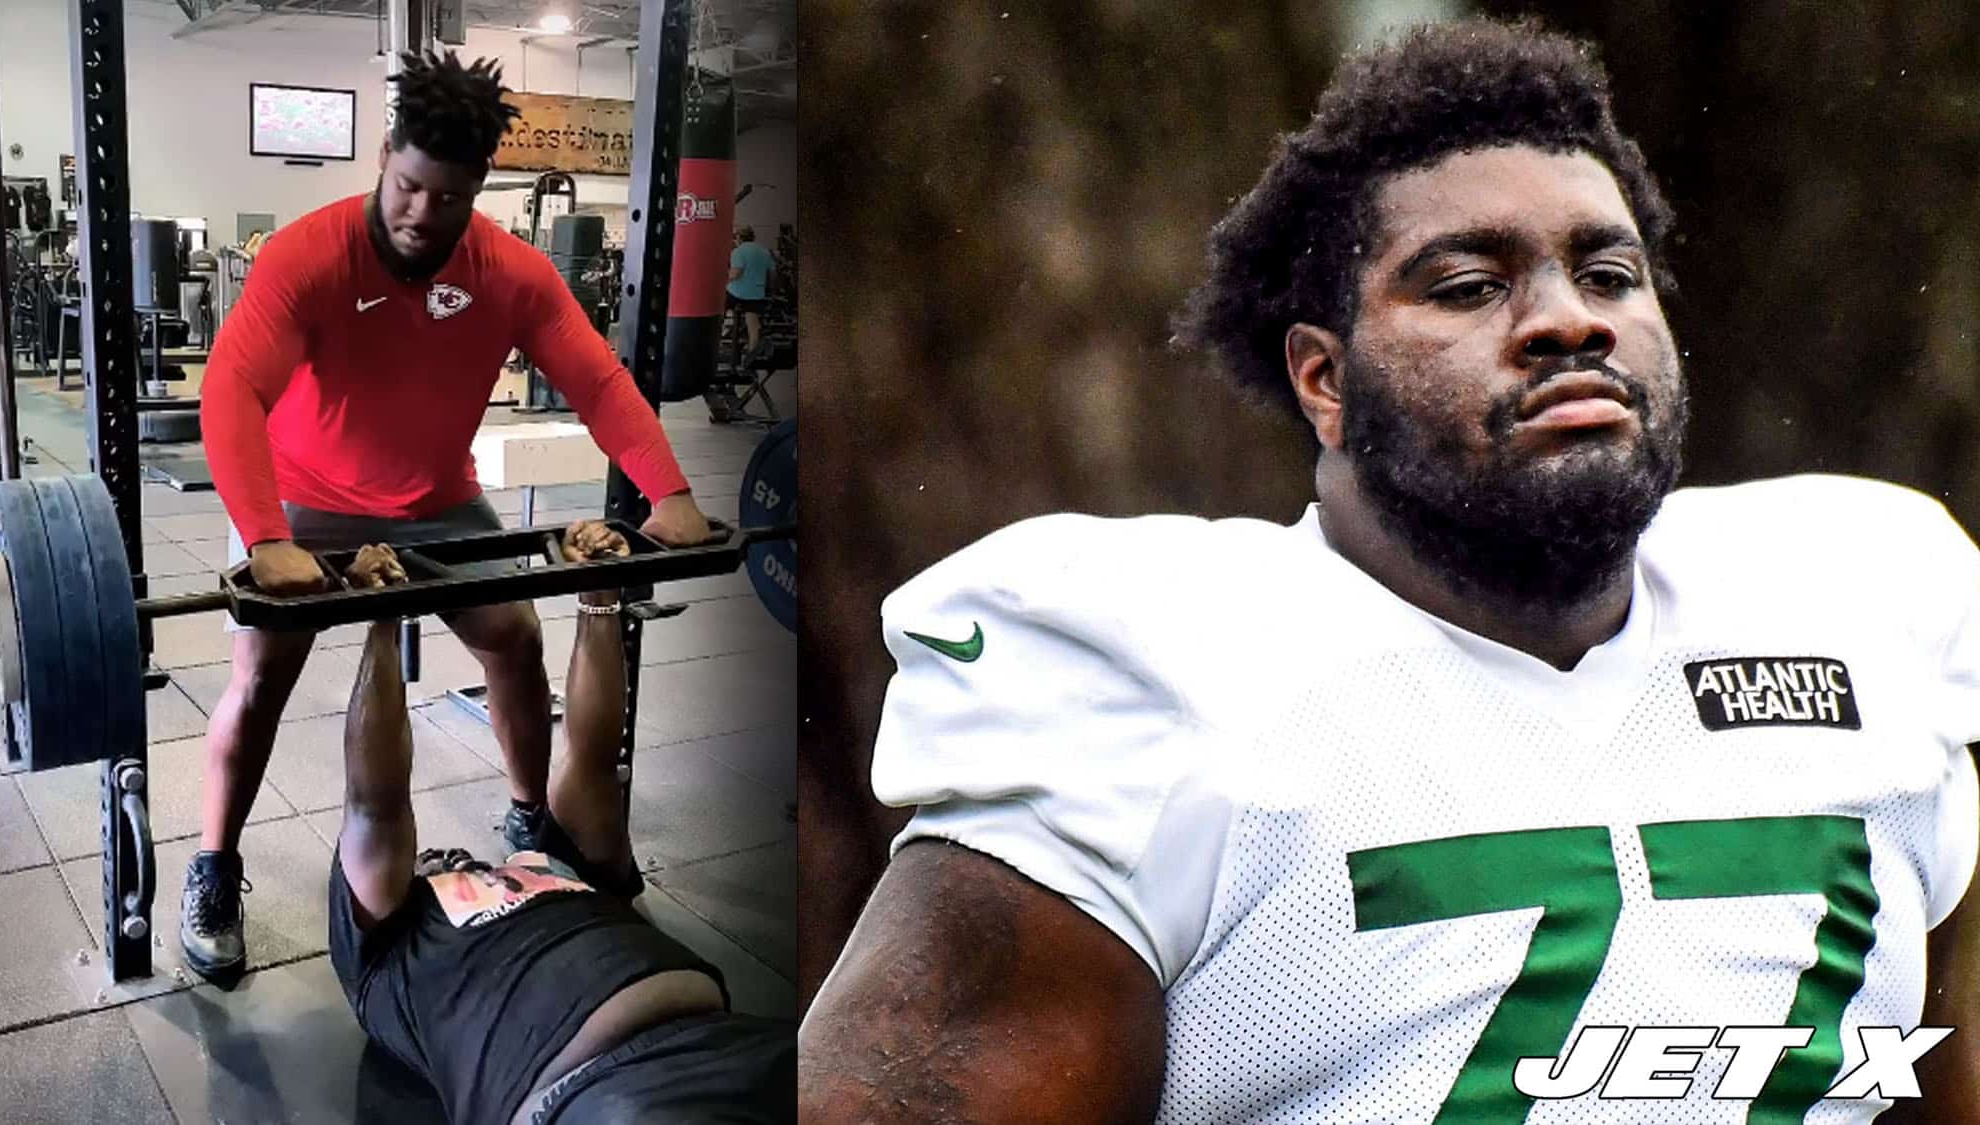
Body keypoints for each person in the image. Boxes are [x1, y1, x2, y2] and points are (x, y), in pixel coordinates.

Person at [799, 18, 1980, 1122]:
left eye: (1608, 274)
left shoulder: (1867, 601)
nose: (1567, 321)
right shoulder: (1158, 684)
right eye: (1470, 286)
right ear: (1322, 377)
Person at [189, 49, 713, 977]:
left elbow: (595, 378)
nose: (421, 215)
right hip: (303, 499)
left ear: (480, 191)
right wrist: (267, 535)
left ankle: (531, 820)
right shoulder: (306, 256)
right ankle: (214, 866)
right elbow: (232, 388)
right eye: (407, 187)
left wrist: (669, 491)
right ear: (384, 156)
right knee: (261, 679)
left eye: (449, 199)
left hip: (437, 497)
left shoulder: (508, 271)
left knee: (514, 637)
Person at [331, 524, 793, 1124]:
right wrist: (384, 621)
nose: (449, 857)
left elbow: (592, 758)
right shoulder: (380, 949)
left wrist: (599, 594)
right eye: (430, 864)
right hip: (592, 1091)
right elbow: (376, 800)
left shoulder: (554, 864)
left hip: (739, 1042)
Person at [725, 226, 774, 364]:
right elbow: (772, 273)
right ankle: (752, 354)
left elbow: (735, 274)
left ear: (739, 238)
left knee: (718, 308)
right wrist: (769, 289)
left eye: (735, 237)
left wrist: (723, 278)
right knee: (753, 323)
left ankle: (717, 334)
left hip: (737, 293)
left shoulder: (738, 252)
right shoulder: (764, 251)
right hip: (756, 293)